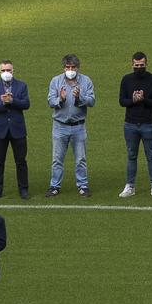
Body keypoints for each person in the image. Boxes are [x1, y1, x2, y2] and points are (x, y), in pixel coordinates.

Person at [46, 54, 95, 198]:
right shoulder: (56, 81)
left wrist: (81, 98)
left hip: (78, 126)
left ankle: (83, 185)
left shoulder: (86, 81)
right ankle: (54, 186)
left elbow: (92, 101)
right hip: (60, 126)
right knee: (57, 159)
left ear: (77, 68)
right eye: (68, 67)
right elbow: (50, 101)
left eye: (73, 67)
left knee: (81, 158)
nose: (70, 70)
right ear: (64, 68)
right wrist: (60, 99)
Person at [119, 52, 152, 198]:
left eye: (141, 65)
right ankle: (130, 186)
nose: (139, 67)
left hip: (149, 124)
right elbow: (122, 101)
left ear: (146, 64)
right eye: (136, 65)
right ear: (132, 64)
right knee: (131, 155)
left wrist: (143, 99)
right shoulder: (126, 80)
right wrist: (133, 99)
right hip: (130, 124)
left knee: (151, 155)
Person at [0, 59, 30, 201]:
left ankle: (23, 189)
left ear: (13, 71)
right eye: (4, 70)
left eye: (9, 70)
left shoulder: (22, 86)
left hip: (18, 130)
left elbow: (26, 104)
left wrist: (12, 101)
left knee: (21, 161)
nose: (6, 73)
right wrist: (3, 103)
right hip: (0, 130)